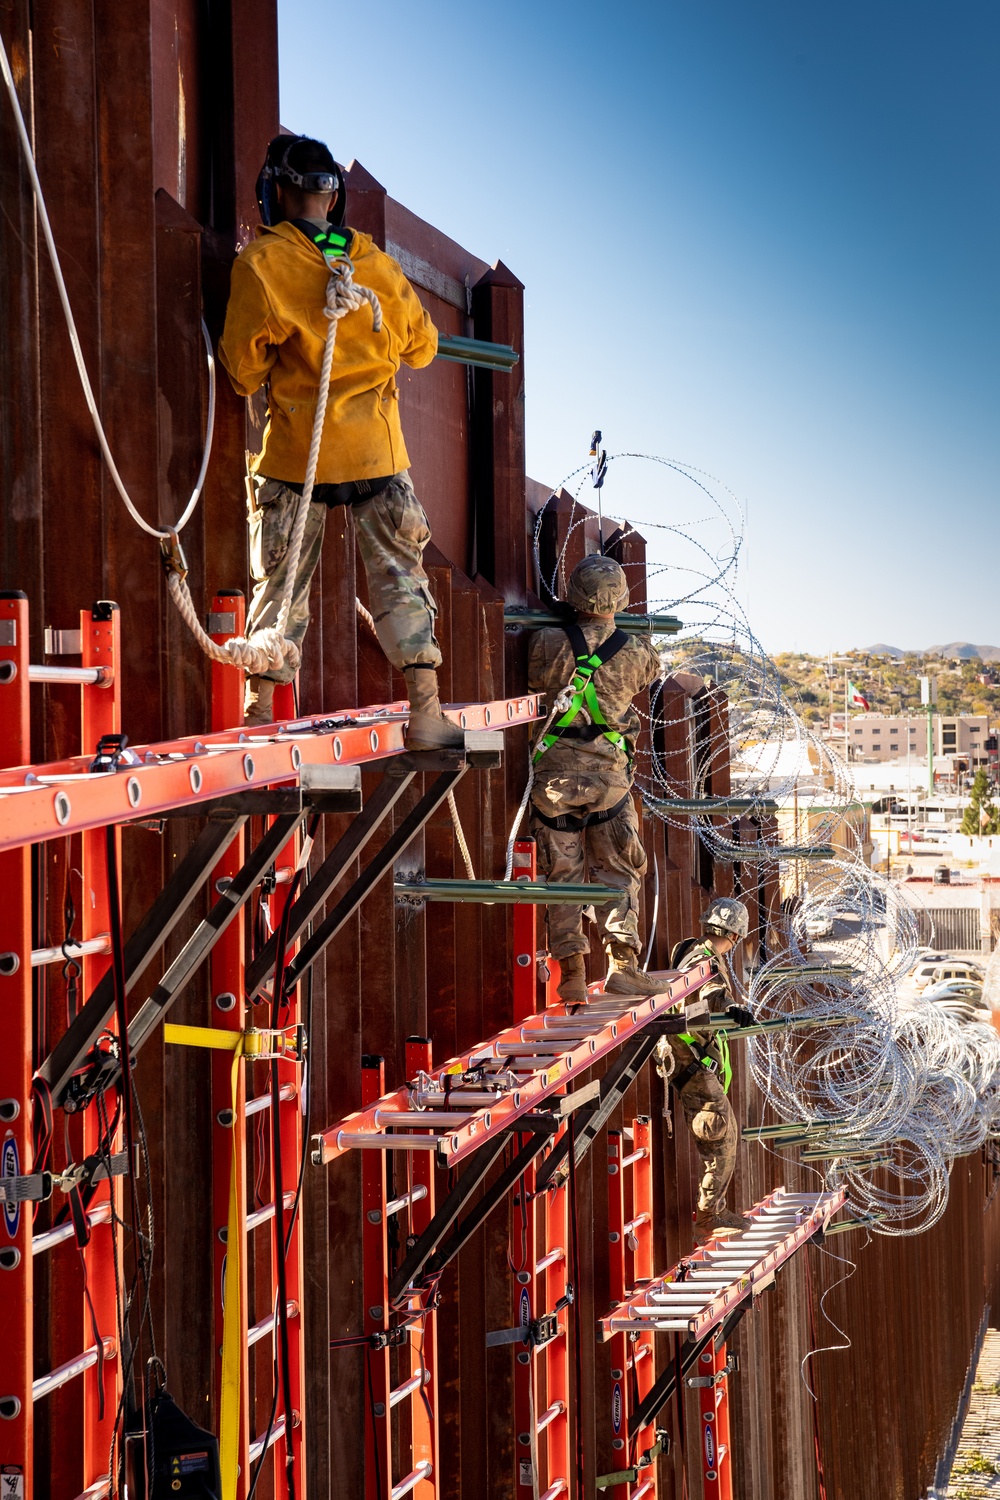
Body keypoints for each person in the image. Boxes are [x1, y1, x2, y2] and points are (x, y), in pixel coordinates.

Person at [219, 134, 462, 749]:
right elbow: (423, 346)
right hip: (378, 457)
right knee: (401, 577)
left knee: (281, 583)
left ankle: (260, 713)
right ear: (336, 200)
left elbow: (242, 370)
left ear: (275, 192)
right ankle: (426, 713)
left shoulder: (262, 265)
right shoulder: (375, 265)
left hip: (301, 457)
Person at [527, 554, 662, 1006]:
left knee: (561, 878)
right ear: (621, 598)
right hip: (608, 783)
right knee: (619, 874)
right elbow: (649, 675)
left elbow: (534, 675)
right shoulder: (635, 649)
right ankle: (623, 968)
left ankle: (572, 975)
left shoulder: (546, 640)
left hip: (553, 781)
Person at [656, 896, 755, 1243]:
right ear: (735, 934)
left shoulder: (695, 950)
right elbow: (709, 993)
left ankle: (714, 1210)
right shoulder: (704, 958)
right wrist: (733, 1007)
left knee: (723, 1132)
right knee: (721, 1134)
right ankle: (710, 1214)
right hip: (691, 1062)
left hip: (693, 1060)